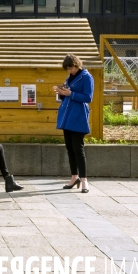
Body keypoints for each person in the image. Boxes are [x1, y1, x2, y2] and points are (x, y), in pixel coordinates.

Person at [53, 54, 94, 193]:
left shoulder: (87, 77)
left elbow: (88, 97)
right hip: (67, 117)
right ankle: (74, 177)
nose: (69, 71)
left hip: (78, 118)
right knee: (70, 149)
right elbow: (68, 95)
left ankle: (84, 181)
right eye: (67, 69)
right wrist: (61, 92)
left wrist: (70, 93)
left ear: (77, 65)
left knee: (79, 150)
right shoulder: (69, 78)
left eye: (71, 68)